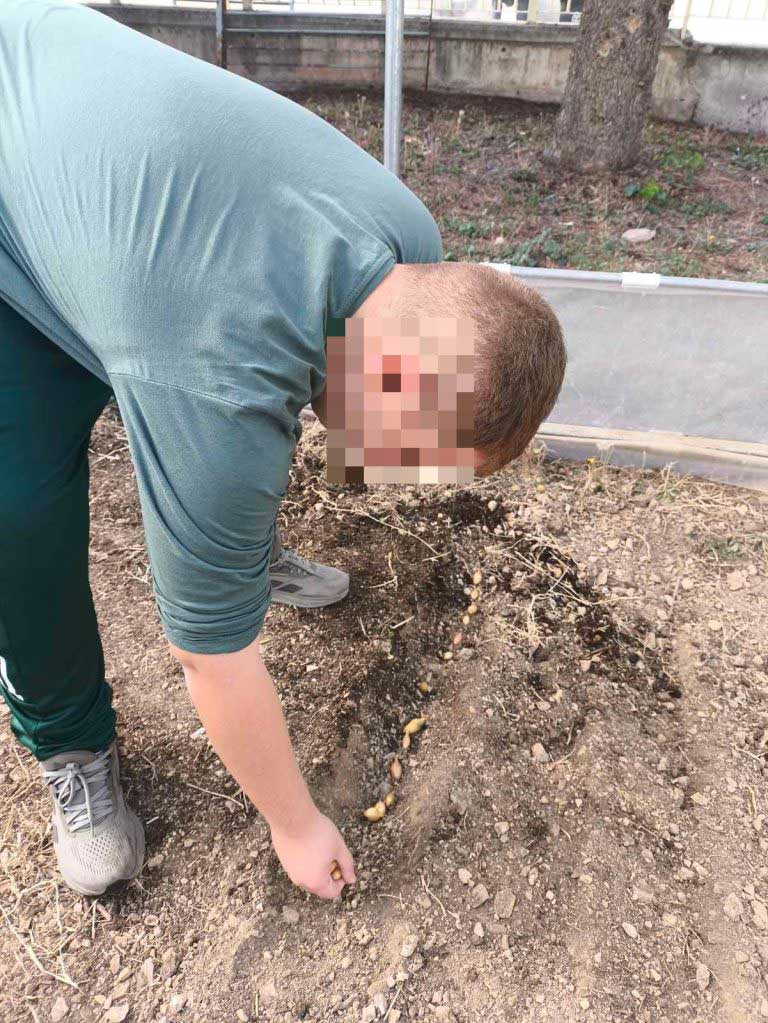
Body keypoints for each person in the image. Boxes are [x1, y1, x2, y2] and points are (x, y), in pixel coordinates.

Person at [0, 0, 566, 900]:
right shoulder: (217, 384)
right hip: (18, 177)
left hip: (90, 144)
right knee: (19, 504)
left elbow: (308, 370)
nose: (393, 475)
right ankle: (68, 739)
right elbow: (211, 661)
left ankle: (243, 554)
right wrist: (296, 824)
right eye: (413, 456)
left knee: (239, 389)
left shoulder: (408, 245)